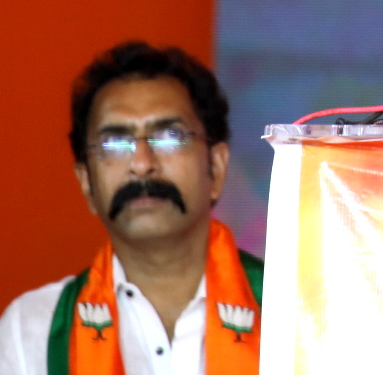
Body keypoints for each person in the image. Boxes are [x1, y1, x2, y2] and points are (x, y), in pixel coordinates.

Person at [0, 43, 261, 375]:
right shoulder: (33, 329)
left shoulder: (297, 315)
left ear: (217, 168)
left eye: (169, 136)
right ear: (87, 184)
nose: (141, 164)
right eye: (114, 143)